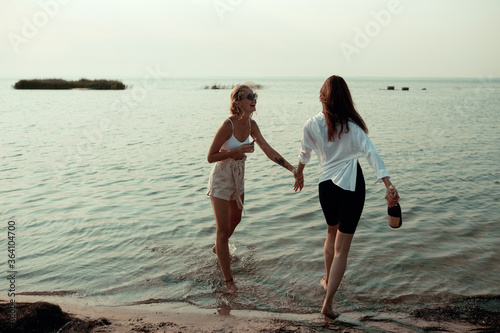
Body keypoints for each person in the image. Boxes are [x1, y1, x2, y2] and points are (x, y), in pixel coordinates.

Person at [293, 75, 400, 318]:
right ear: (345, 99)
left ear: (322, 98)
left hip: (326, 188)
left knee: (331, 233)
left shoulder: (310, 124)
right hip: (351, 187)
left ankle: (327, 281)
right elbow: (372, 154)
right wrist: (388, 184)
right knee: (342, 250)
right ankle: (328, 304)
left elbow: (304, 154)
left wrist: (298, 175)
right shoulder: (353, 126)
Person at [207, 84, 296, 294]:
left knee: (235, 220)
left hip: (238, 177)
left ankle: (218, 248)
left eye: (255, 96)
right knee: (222, 230)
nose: (254, 99)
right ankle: (229, 282)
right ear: (238, 101)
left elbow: (267, 149)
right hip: (221, 178)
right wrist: (235, 151)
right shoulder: (227, 125)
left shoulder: (251, 124)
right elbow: (210, 156)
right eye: (249, 96)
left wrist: (292, 169)